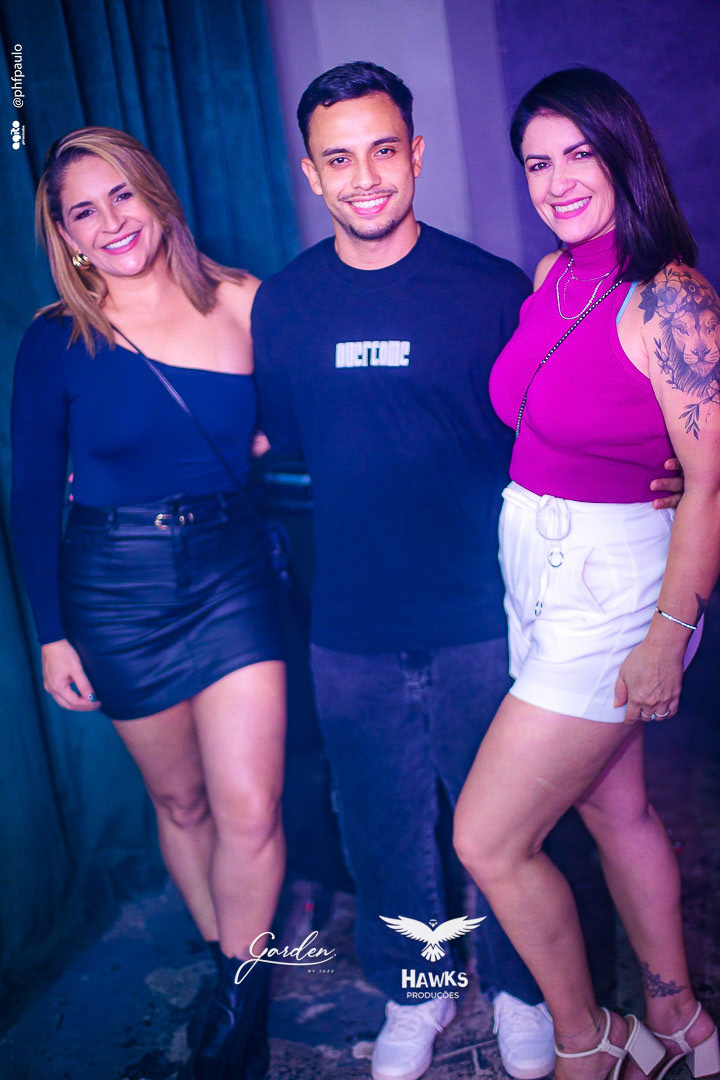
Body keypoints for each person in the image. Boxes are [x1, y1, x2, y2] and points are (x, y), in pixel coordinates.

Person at [251, 62, 683, 1080]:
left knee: (513, 826)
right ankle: (418, 992)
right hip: (351, 619)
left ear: (417, 153)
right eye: (338, 158)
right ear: (310, 172)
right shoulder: (286, 303)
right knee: (383, 830)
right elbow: (280, 443)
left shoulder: (496, 289)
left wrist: (659, 470)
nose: (365, 176)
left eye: (383, 150)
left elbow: (574, 412)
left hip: (489, 612)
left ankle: (525, 990)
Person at [453, 67, 720, 1080]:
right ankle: (681, 1022)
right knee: (616, 809)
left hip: (613, 587)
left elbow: (709, 482)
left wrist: (669, 636)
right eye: (537, 163)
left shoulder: (672, 296)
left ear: (623, 155)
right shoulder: (551, 274)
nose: (558, 181)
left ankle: (590, 1040)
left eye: (579, 155)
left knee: (488, 839)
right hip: (535, 560)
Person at [11, 127, 285, 1079]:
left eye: (122, 195)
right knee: (182, 799)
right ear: (65, 234)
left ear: (156, 193)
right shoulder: (56, 339)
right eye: (83, 212)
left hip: (231, 571)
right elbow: (31, 495)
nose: (111, 223)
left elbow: (304, 417)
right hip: (114, 588)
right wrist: (53, 637)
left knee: (251, 805)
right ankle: (224, 961)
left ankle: (237, 1007)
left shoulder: (244, 301)